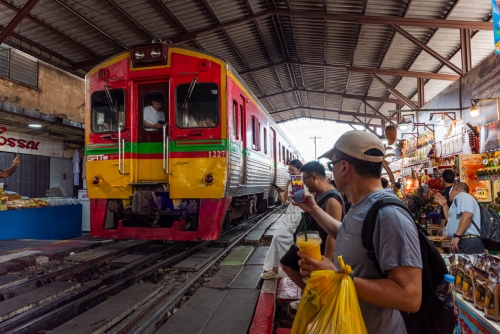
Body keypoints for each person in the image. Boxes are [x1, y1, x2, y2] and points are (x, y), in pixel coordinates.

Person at [294, 130, 422, 334]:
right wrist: (313, 209)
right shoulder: (360, 206)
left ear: (344, 167)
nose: (332, 172)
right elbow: (347, 234)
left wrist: (334, 275)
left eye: (332, 165)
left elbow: (410, 297)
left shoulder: (389, 215)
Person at [279, 161, 343, 291]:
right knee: (288, 264)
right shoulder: (319, 194)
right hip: (312, 244)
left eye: (305, 178)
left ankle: (313, 295)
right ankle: (310, 294)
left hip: (319, 249)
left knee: (289, 265)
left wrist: (326, 262)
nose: (304, 183)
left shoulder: (332, 200)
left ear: (314, 177)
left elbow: (333, 235)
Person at [261, 159, 306, 279]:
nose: (290, 173)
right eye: (289, 171)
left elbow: (299, 199)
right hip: (290, 213)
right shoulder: (289, 182)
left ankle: (294, 268)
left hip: (300, 213)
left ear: (300, 169)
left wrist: (298, 184)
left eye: (292, 170)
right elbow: (284, 200)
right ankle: (275, 269)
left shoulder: (304, 181)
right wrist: (279, 193)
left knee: (296, 242)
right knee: (276, 238)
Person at [436, 182, 484, 254]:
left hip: (467, 241)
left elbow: (468, 215)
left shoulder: (463, 196)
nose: (449, 194)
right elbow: (451, 220)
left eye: (450, 191)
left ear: (455, 188)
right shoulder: (460, 200)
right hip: (463, 240)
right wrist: (444, 205)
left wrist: (457, 236)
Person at [439, 169, 455, 234]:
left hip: (448, 226)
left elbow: (443, 213)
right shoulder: (458, 190)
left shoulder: (444, 193)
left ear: (443, 179)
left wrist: (441, 228)